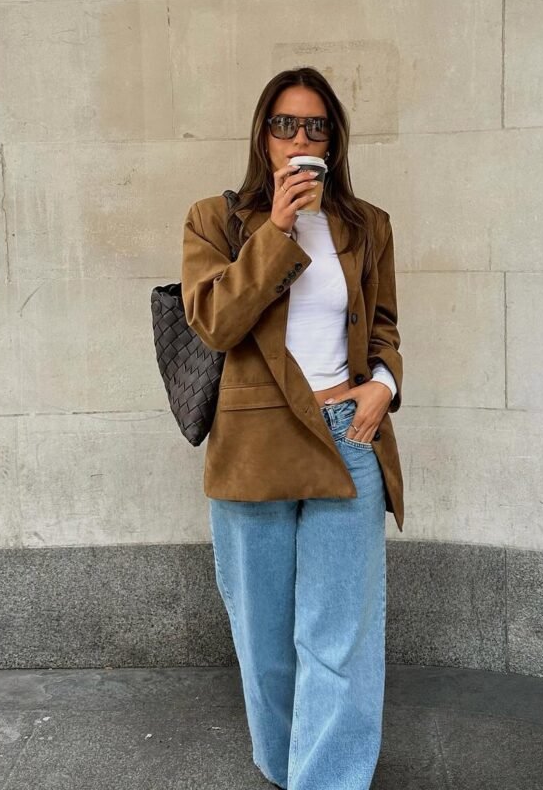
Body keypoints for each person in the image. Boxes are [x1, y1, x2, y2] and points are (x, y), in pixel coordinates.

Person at [181, 66, 404, 790]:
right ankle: (285, 771)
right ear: (263, 135)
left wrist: (384, 385)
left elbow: (384, 329)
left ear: (333, 140)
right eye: (285, 125)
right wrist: (277, 227)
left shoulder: (367, 224)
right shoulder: (214, 222)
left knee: (338, 642)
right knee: (267, 641)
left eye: (315, 127)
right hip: (253, 447)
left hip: (349, 432)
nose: (300, 139)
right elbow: (216, 324)